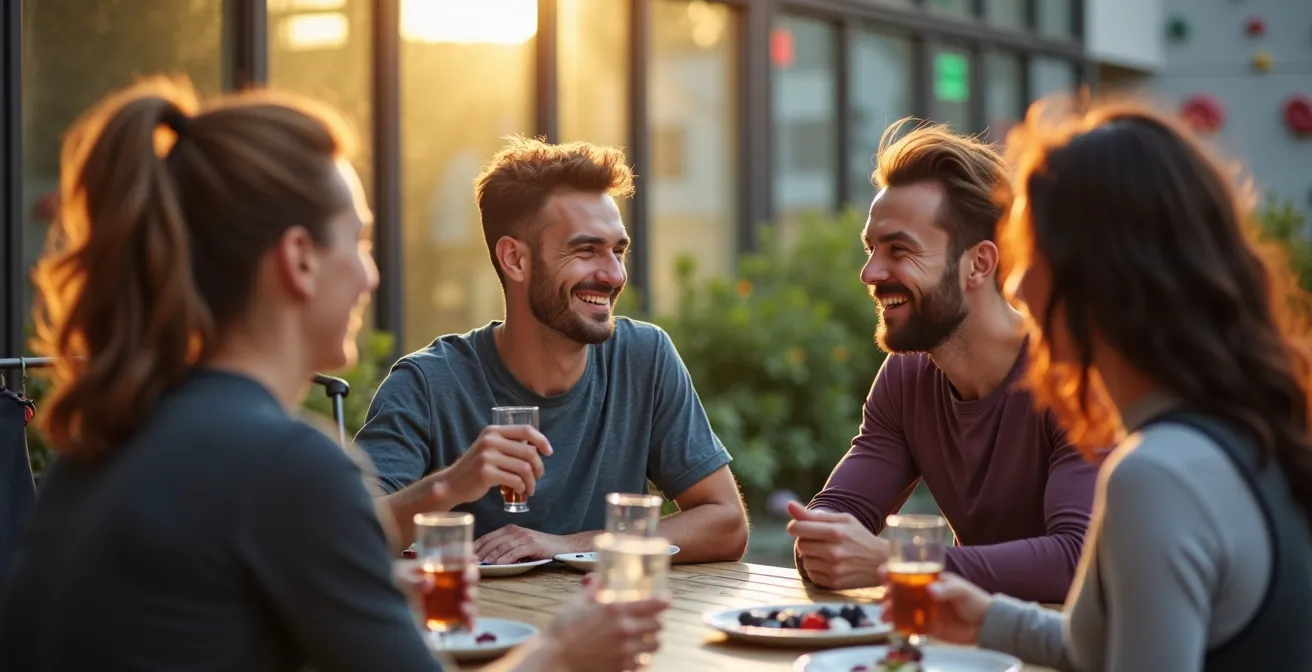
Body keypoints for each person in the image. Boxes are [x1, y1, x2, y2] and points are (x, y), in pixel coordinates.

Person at [0, 77, 667, 672]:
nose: (371, 274)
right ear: (300, 260)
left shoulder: (103, 442)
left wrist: (356, 591)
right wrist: (563, 652)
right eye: (362, 241)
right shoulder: (288, 465)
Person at [912, 102, 1312, 670]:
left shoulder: (1157, 476)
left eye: (1032, 252)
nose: (1018, 287)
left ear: (1099, 273)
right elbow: (1108, 648)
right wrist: (989, 620)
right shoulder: (1244, 433)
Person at [356, 136, 749, 564]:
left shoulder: (643, 357)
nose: (614, 275)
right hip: (480, 628)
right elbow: (350, 536)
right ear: (515, 260)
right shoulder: (428, 384)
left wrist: (570, 546)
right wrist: (452, 484)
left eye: (618, 251)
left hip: (610, 622)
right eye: (586, 250)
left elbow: (725, 522)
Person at [787, 121, 1098, 604]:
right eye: (871, 249)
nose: (869, 273)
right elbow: (842, 512)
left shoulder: (1071, 374)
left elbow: (1076, 562)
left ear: (979, 263)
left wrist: (898, 562)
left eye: (900, 250)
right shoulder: (908, 376)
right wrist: (823, 539)